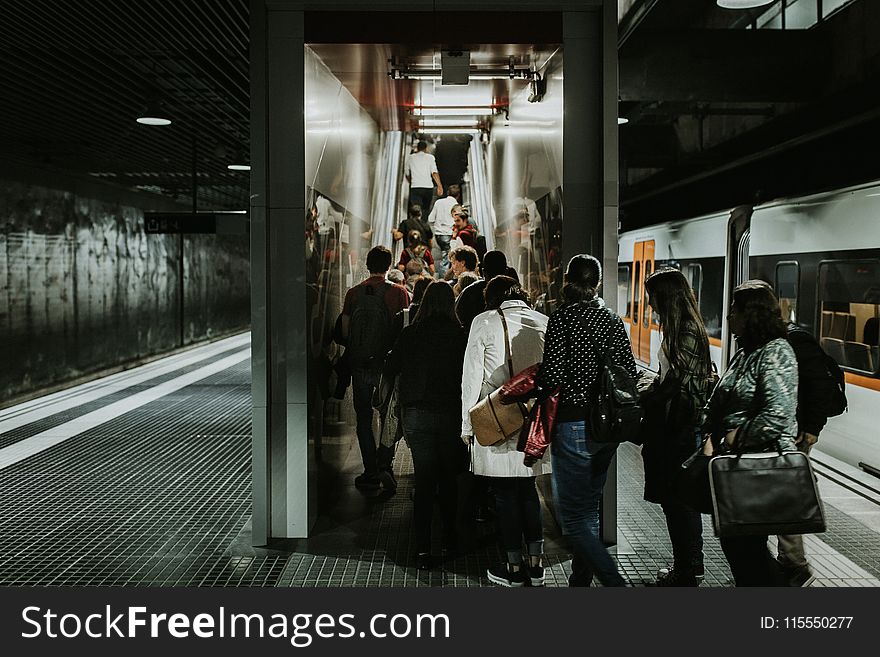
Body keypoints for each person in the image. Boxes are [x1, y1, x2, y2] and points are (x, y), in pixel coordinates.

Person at [536, 254, 636, 587]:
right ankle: (579, 582)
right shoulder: (612, 319)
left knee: (574, 518)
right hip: (607, 427)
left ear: (567, 280)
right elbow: (628, 373)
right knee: (589, 509)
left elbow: (551, 375)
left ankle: (614, 582)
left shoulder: (562, 318)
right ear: (597, 282)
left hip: (574, 423)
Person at [703, 280, 798, 586]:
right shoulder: (745, 352)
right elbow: (721, 398)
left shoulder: (776, 352)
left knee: (748, 549)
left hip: (758, 467)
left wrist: (737, 437)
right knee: (738, 545)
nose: (729, 316)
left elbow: (778, 413)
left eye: (734, 309)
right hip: (737, 465)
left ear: (751, 314)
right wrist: (709, 431)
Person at [461, 276, 551, 587]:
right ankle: (537, 566)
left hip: (496, 419)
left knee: (504, 495)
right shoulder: (543, 321)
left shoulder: (483, 322)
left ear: (492, 298)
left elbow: (471, 378)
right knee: (529, 490)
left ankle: (513, 569)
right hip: (534, 421)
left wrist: (466, 425)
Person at [385, 282, 468, 570]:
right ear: (451, 304)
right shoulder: (460, 336)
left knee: (424, 478)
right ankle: (449, 540)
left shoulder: (410, 334)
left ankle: (421, 548)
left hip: (416, 414)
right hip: (449, 414)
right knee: (447, 480)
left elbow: (391, 367)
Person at [639, 267, 712, 586]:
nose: (650, 304)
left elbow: (677, 382)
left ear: (666, 296)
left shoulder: (685, 329)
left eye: (652, 297)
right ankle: (688, 565)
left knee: (678, 502)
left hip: (679, 427)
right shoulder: (681, 327)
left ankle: (687, 569)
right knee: (678, 502)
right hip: (677, 424)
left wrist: (648, 395)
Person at [340, 246, 410, 492]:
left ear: (367, 265)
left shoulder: (353, 294)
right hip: (387, 366)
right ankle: (385, 465)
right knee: (388, 416)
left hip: (360, 365)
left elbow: (346, 332)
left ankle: (369, 470)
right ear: (389, 266)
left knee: (363, 417)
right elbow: (405, 331)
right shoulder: (400, 293)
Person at [455, 250, 508, 330]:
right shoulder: (514, 292)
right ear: (506, 271)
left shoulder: (469, 293)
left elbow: (458, 314)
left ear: (483, 272)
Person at [428, 184, 461, 277]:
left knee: (446, 256)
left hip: (438, 235)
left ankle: (445, 277)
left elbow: (430, 219)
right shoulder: (456, 206)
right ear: (458, 195)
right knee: (446, 259)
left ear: (447, 193)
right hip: (450, 234)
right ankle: (444, 280)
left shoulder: (438, 202)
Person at [405, 140, 443, 220]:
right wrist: (439, 186)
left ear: (417, 148)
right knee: (425, 209)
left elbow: (406, 172)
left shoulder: (410, 157)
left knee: (416, 209)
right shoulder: (430, 158)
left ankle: (415, 226)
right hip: (428, 187)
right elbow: (434, 172)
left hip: (415, 187)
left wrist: (411, 181)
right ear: (426, 148)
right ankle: (423, 225)